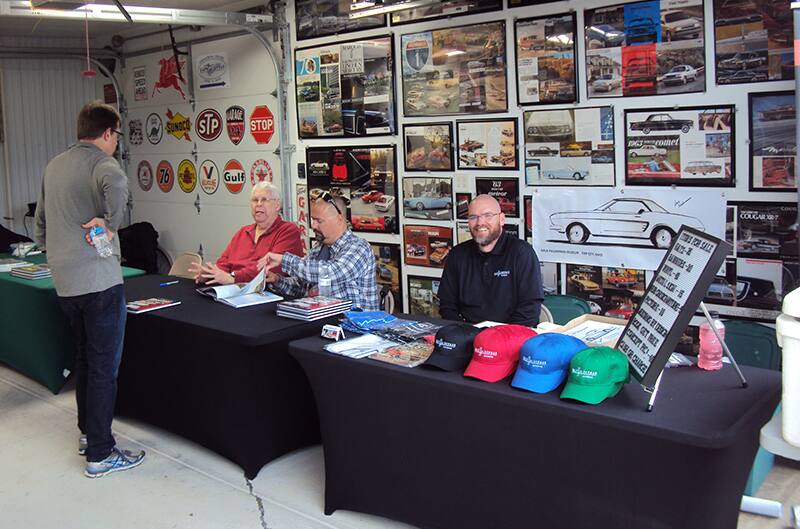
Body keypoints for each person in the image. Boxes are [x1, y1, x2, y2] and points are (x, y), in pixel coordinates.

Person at [34, 101, 145, 478]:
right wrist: (110, 222)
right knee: (103, 367)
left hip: (65, 281)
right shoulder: (104, 164)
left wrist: (55, 249)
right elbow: (117, 189)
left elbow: (41, 223)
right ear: (109, 133)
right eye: (116, 136)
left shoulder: (55, 164)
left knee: (84, 358)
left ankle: (88, 433)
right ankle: (100, 451)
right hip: (98, 280)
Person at [258, 192, 379, 310]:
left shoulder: (359, 248)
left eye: (319, 221)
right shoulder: (318, 248)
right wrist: (277, 280)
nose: (314, 226)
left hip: (358, 326)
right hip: (325, 323)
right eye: (312, 220)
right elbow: (302, 288)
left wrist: (284, 259)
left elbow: (330, 273)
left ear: (339, 218)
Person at [438, 194, 543, 326]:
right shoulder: (457, 255)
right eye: (473, 217)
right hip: (467, 334)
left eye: (487, 215)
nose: (480, 222)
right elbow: (447, 306)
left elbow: (529, 311)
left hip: (510, 337)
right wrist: (464, 333)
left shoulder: (522, 253)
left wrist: (496, 338)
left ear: (502, 219)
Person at [189, 181, 304, 285]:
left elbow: (271, 269)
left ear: (277, 205)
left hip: (268, 294)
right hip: (235, 290)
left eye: (264, 200)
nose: (258, 204)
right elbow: (224, 263)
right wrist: (210, 274)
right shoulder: (243, 232)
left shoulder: (288, 231)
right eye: (255, 200)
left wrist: (233, 277)